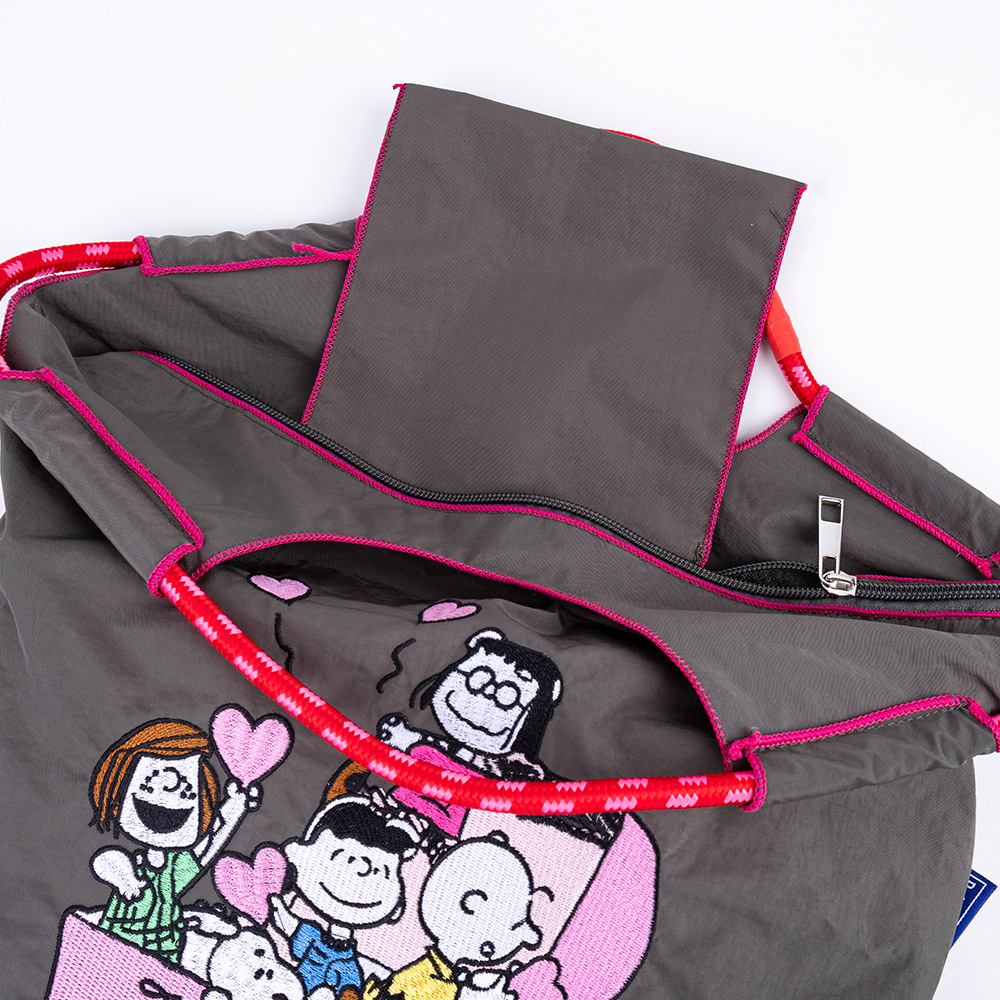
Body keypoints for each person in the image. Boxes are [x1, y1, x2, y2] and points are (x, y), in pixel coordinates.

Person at [88, 717, 260, 963]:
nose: (169, 787)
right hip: (112, 953)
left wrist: (236, 805)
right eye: (149, 782)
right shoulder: (140, 869)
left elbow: (210, 842)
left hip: (162, 960)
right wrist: (126, 881)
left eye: (186, 791)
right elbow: (106, 861)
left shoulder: (175, 870)